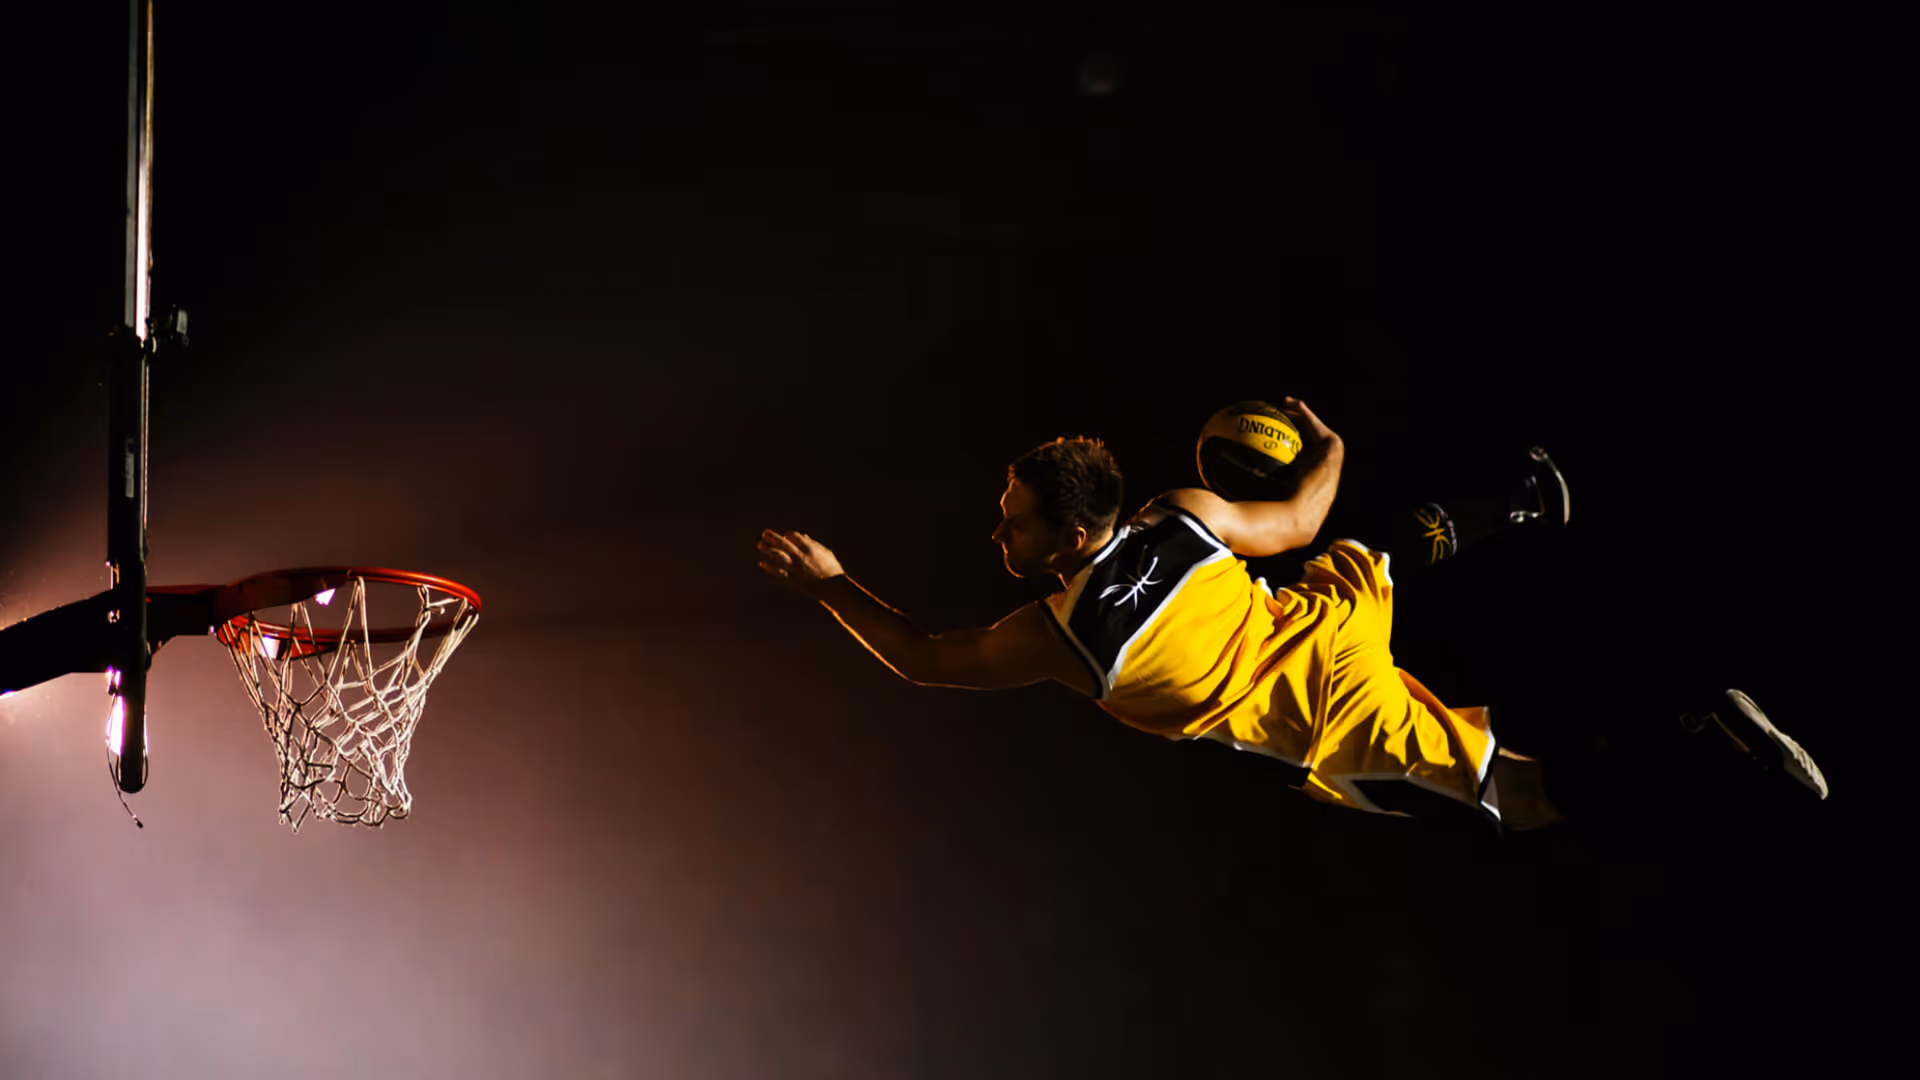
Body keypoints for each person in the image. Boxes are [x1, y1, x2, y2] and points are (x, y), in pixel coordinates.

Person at [756, 398, 1828, 836]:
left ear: (1072, 537)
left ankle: (1708, 744)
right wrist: (1333, 457)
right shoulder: (1180, 514)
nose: (1001, 538)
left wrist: (830, 587)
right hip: (1316, 619)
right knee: (1370, 550)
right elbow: (1309, 517)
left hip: (1318, 711)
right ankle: (1523, 498)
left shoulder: (1057, 635)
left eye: (1015, 525)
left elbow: (924, 661)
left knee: (1520, 793)